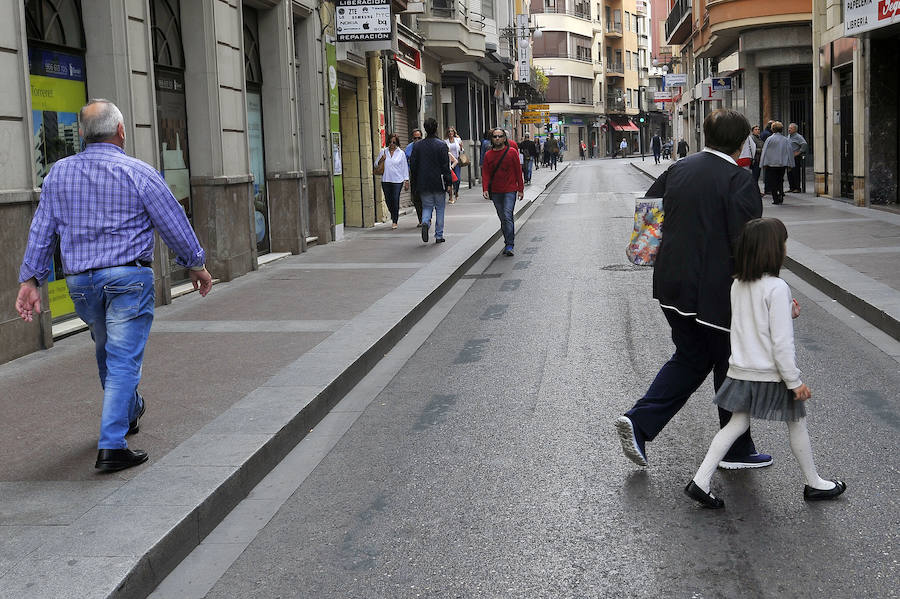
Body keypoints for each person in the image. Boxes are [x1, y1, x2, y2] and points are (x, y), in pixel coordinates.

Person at [15, 99, 213, 472]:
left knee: (108, 351)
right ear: (121, 131)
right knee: (122, 359)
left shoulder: (59, 173)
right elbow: (173, 222)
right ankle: (111, 446)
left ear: (85, 136)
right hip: (127, 279)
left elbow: (42, 230)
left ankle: (130, 409)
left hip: (82, 285)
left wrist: (31, 279)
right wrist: (196, 265)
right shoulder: (138, 172)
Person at [614, 108, 769, 470]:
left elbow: (649, 215)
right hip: (716, 295)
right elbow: (749, 244)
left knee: (696, 357)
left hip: (671, 287)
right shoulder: (738, 180)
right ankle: (733, 448)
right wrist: (765, 290)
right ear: (743, 140)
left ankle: (642, 424)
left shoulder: (677, 169)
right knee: (730, 362)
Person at [685, 218, 846, 508]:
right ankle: (814, 483)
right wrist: (794, 381)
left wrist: (787, 314)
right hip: (770, 373)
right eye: (784, 243)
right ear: (774, 250)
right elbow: (781, 344)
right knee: (796, 422)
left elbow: (752, 325)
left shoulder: (738, 285)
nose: (786, 248)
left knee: (736, 424)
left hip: (741, 370)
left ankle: (701, 480)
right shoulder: (777, 287)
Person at [481, 128, 525, 257]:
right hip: (496, 191)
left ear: (504, 138)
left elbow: (518, 171)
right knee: (502, 218)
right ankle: (507, 241)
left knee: (507, 215)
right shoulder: (488, 155)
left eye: (500, 136)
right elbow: (486, 173)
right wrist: (485, 189)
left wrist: (520, 189)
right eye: (495, 136)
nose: (497, 138)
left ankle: (510, 244)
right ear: (492, 139)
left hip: (510, 190)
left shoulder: (511, 152)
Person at [409, 117, 452, 244]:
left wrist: (415, 182)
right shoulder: (442, 145)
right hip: (439, 181)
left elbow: (413, 166)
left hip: (423, 182)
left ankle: (425, 222)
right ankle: (439, 235)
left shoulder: (417, 146)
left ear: (425, 129)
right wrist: (449, 183)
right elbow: (445, 166)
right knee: (440, 208)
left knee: (427, 207)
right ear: (436, 128)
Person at [375, 132, 410, 229]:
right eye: (390, 142)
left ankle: (395, 220)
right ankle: (393, 213)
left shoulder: (401, 153)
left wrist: (406, 180)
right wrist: (381, 160)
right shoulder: (383, 151)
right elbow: (375, 165)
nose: (392, 144)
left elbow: (404, 167)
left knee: (395, 199)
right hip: (386, 180)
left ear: (397, 143)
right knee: (388, 200)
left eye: (394, 142)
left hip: (397, 180)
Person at [759, 121, 794, 205]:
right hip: (782, 164)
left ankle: (775, 198)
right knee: (780, 180)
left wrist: (762, 163)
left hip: (771, 164)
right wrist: (791, 164)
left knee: (773, 181)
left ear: (772, 129)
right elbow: (790, 152)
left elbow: (764, 151)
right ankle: (781, 194)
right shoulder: (785, 139)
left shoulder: (769, 139)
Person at [405, 128, 424, 225]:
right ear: (412, 139)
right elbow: (405, 162)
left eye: (419, 138)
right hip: (414, 176)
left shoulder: (426, 147)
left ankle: (426, 218)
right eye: (415, 138)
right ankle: (421, 220)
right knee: (416, 199)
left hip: (425, 176)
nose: (417, 140)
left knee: (425, 198)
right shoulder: (408, 148)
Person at [787, 123, 808, 192]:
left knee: (795, 172)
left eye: (791, 128)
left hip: (795, 157)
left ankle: (797, 188)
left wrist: (799, 152)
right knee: (789, 173)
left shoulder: (798, 136)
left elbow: (804, 144)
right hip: (789, 157)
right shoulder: (789, 136)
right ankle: (791, 187)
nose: (789, 129)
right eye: (789, 128)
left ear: (795, 130)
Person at [445, 127, 462, 204]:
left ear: (454, 132)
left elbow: (462, 150)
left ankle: (456, 191)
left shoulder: (458, 140)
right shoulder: (445, 141)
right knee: (450, 180)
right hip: (449, 162)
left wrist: (461, 147)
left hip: (456, 161)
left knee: (457, 179)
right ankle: (450, 196)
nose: (450, 133)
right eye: (449, 131)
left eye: (452, 131)